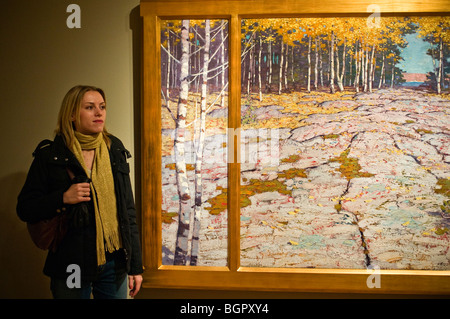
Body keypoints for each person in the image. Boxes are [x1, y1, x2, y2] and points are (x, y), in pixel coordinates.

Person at [17, 85, 143, 299]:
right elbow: (25, 208)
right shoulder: (51, 155)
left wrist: (135, 266)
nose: (99, 112)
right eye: (90, 107)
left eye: (102, 106)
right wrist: (63, 198)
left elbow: (127, 210)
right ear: (73, 114)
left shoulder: (114, 149)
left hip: (114, 262)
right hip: (72, 263)